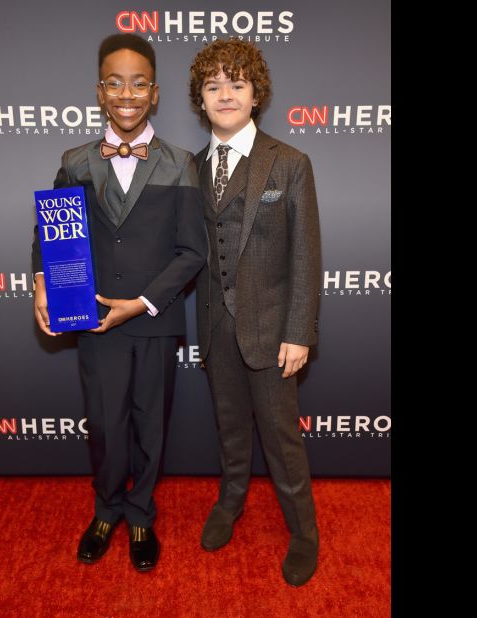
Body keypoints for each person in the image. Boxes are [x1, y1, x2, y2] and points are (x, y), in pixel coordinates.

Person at [31, 33, 207, 573]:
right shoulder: (75, 159)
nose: (125, 94)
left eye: (137, 84)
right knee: (105, 425)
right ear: (100, 92)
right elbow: (52, 235)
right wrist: (41, 279)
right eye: (114, 83)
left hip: (152, 320)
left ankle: (140, 515)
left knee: (150, 426)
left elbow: (191, 251)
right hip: (94, 319)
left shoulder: (180, 163)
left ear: (153, 94)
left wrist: (143, 302)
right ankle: (106, 508)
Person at [188, 39, 323, 586]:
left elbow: (306, 255)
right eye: (214, 85)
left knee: (281, 440)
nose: (225, 94)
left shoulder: (289, 162)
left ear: (255, 94)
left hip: (272, 332)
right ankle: (231, 502)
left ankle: (305, 533)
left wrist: (299, 332)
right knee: (229, 431)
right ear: (200, 98)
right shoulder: (190, 167)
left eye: (236, 84)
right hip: (216, 329)